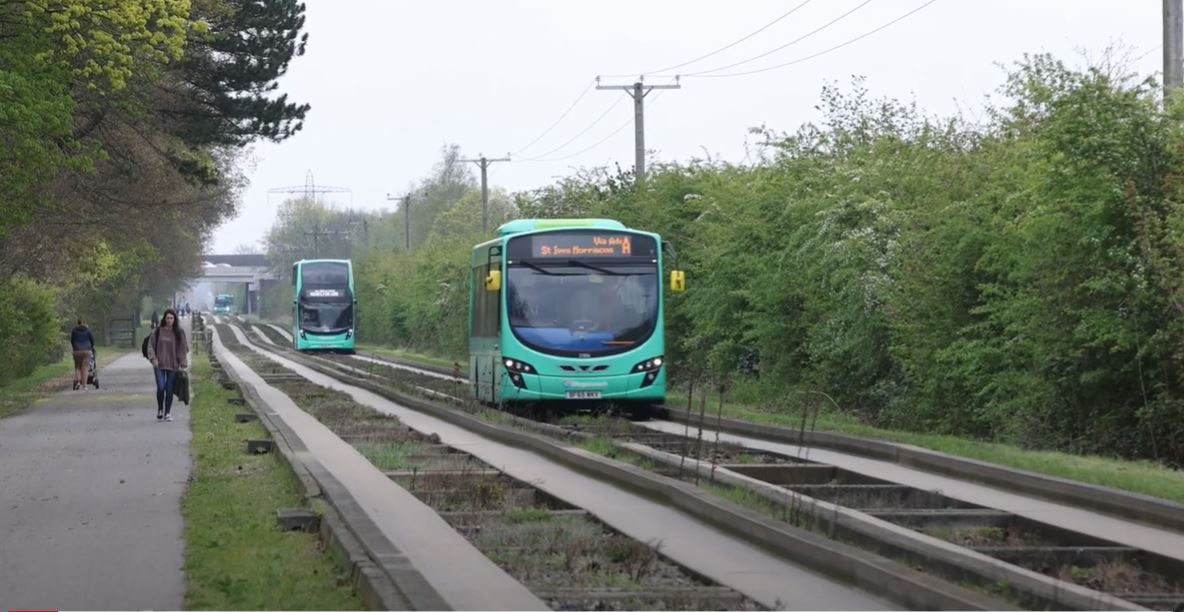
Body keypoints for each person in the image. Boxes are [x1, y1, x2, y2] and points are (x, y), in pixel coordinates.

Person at [146, 309, 188, 421]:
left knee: (169, 389)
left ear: (174, 319)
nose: (169, 320)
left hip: (173, 365)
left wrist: (183, 362)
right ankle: (160, 409)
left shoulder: (179, 333)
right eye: (167, 318)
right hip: (159, 364)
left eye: (171, 318)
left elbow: (183, 349)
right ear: (164, 319)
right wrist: (153, 359)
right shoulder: (158, 331)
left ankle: (167, 413)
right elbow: (150, 346)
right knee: (161, 387)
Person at [69, 319, 96, 391]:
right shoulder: (88, 330)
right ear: (84, 323)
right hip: (87, 350)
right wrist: (92, 347)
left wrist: (74, 347)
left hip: (77, 350)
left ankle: (78, 382)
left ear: (77, 323)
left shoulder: (74, 330)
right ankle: (84, 385)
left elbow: (72, 340)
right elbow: (92, 340)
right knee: (85, 368)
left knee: (77, 367)